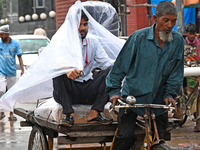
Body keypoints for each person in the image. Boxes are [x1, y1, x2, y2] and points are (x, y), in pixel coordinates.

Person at [106, 1, 184, 149]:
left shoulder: (177, 41)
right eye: (165, 20)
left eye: (173, 21)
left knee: (159, 136)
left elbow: (176, 72)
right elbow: (119, 67)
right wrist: (114, 92)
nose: (169, 25)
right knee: (126, 136)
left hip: (159, 99)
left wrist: (170, 94)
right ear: (155, 19)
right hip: (133, 98)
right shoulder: (138, 38)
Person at [52, 11, 114, 127]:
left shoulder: (93, 42)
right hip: (69, 91)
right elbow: (53, 62)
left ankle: (94, 113)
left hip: (88, 89)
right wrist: (67, 71)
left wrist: (124, 63)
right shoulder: (62, 42)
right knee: (58, 75)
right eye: (78, 25)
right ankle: (69, 115)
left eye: (85, 24)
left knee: (112, 73)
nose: (82, 28)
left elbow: (106, 63)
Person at [0, 24, 24, 121]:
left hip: (11, 72)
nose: (0, 37)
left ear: (7, 34)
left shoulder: (15, 44)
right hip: (1, 71)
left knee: (11, 93)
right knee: (1, 90)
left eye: (2, 35)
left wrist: (22, 69)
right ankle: (1, 112)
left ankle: (11, 113)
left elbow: (19, 57)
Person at [183, 22, 200, 132]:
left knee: (198, 99)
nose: (193, 36)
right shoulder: (182, 45)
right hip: (187, 75)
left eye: (194, 34)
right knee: (190, 99)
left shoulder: (199, 45)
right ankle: (195, 117)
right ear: (187, 33)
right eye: (190, 34)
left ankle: (198, 121)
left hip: (197, 73)